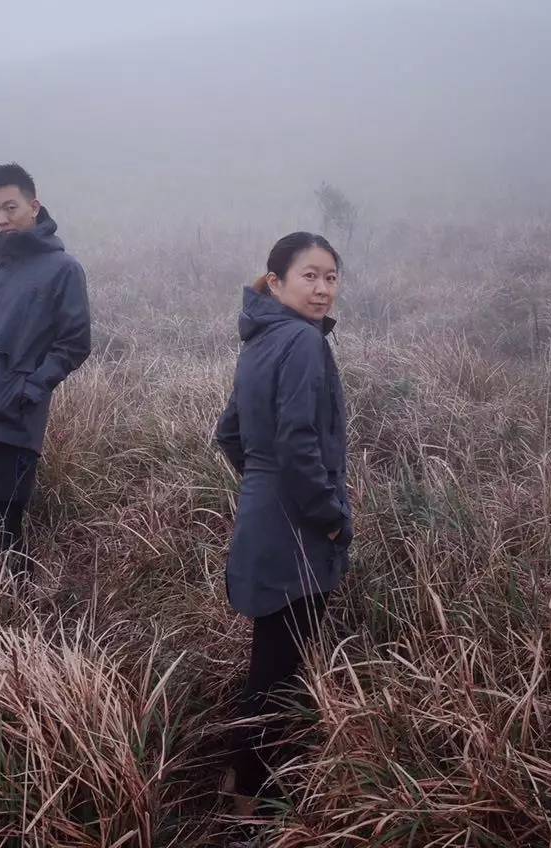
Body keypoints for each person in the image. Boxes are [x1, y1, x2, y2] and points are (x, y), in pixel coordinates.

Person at [215, 232, 353, 818]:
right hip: (296, 526)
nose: (322, 289)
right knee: (278, 673)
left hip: (263, 517)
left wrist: (262, 482)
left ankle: (236, 778)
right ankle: (252, 803)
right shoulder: (300, 341)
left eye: (331, 276)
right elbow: (299, 441)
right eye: (309, 276)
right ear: (276, 282)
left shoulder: (262, 339)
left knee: (269, 660)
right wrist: (331, 518)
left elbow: (229, 432)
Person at [0, 163, 91, 574]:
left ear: (34, 206)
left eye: (10, 207)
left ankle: (18, 620)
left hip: (14, 417)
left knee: (4, 526)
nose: (1, 219)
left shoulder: (63, 269)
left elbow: (75, 344)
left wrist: (29, 388)